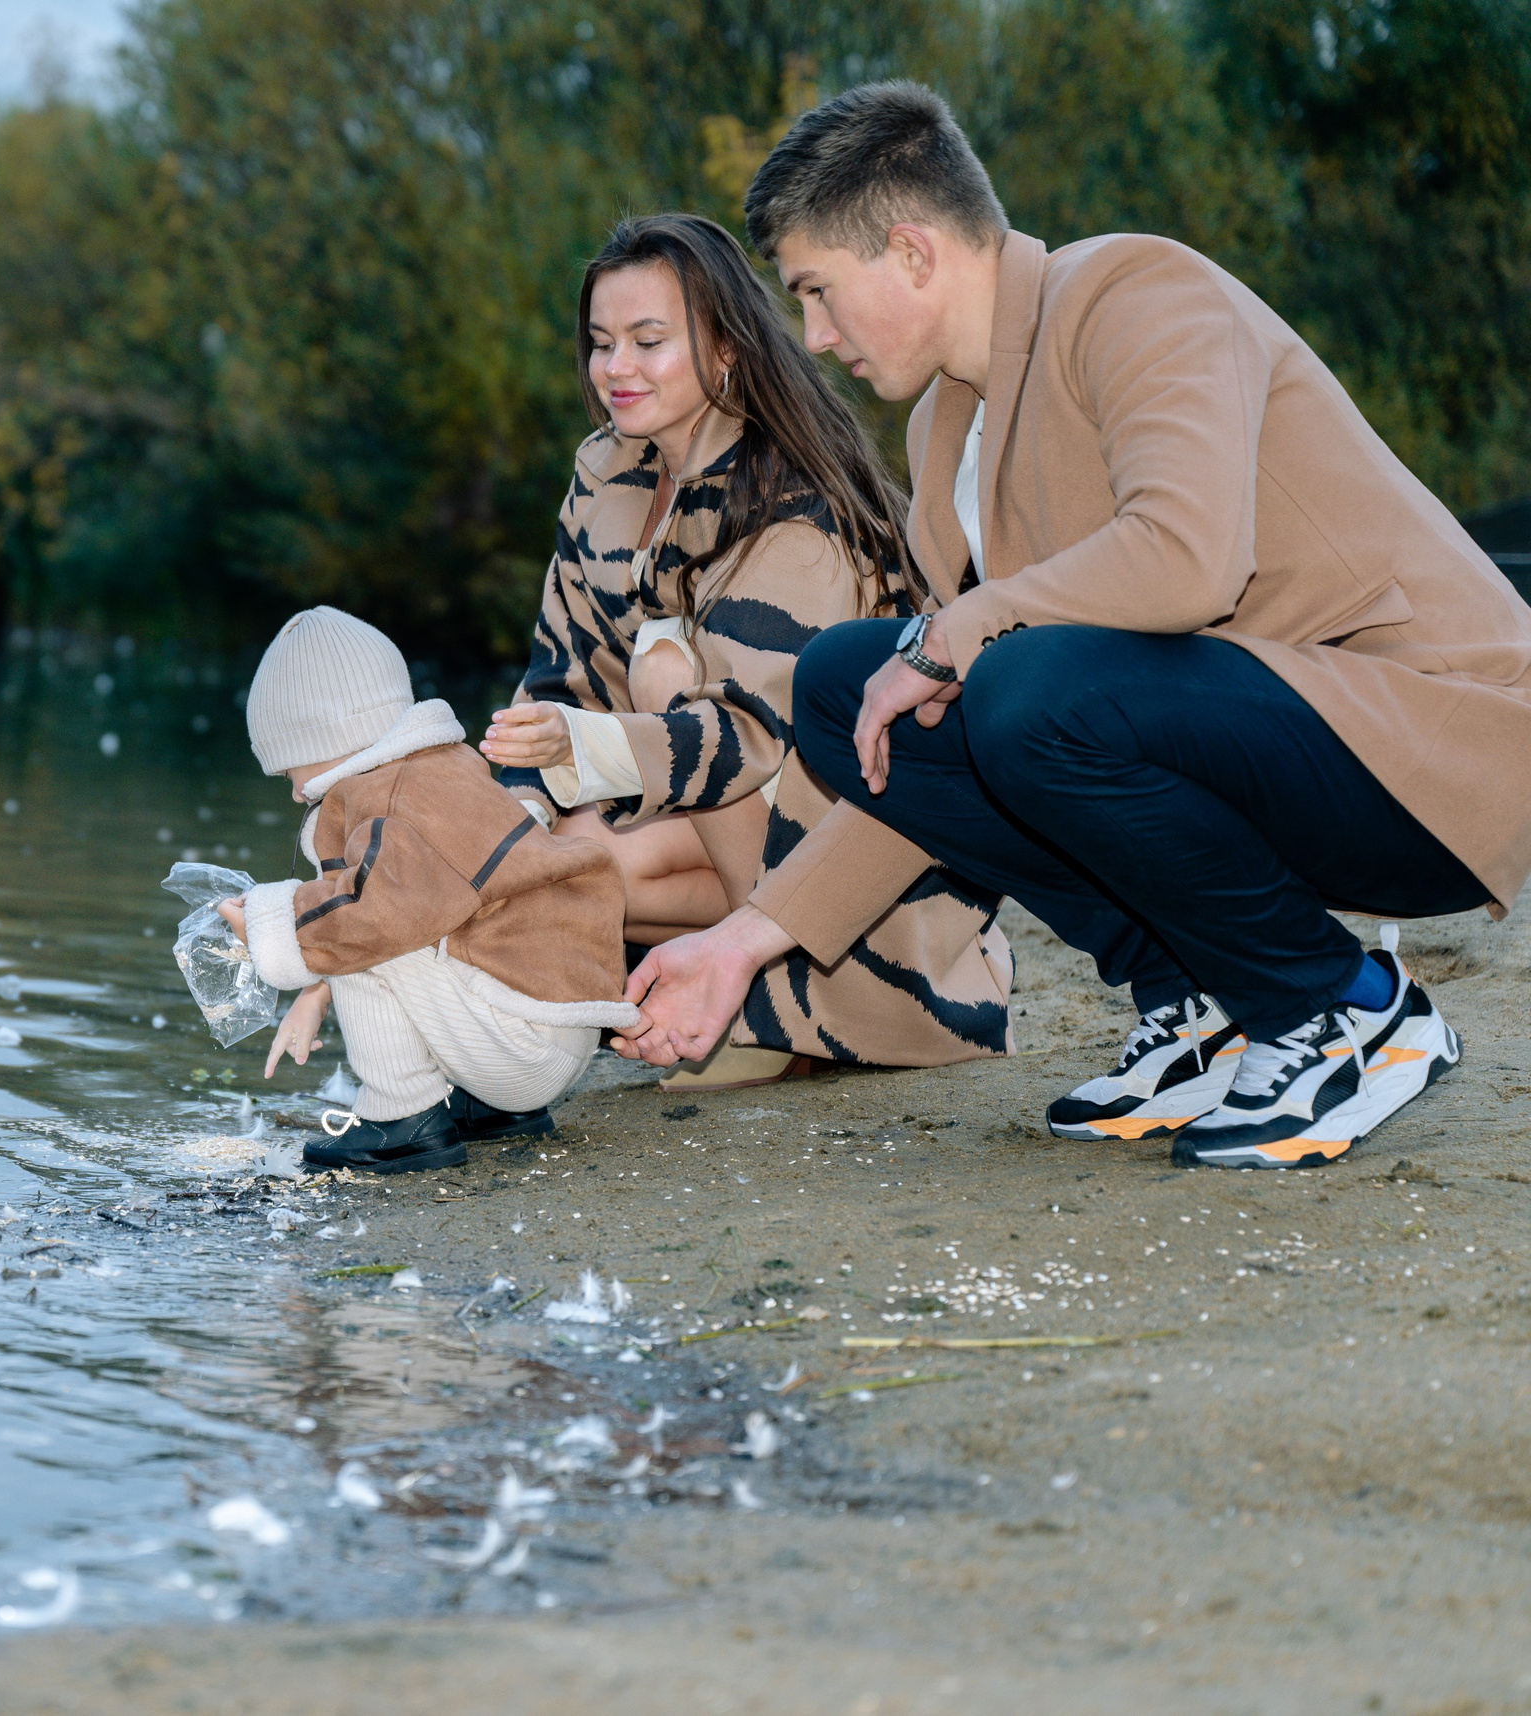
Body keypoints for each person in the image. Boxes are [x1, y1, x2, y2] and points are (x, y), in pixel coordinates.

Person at [622, 81, 1530, 1170]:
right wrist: (742, 943)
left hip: (1431, 745)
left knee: (1015, 684)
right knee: (846, 684)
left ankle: (1339, 1007)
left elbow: (1189, 558)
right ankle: (1198, 1000)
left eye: (816, 291)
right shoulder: (942, 440)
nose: (812, 338)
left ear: (911, 253)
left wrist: (959, 633)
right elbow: (920, 763)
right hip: (1255, 757)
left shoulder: (1135, 292)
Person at [478, 212, 1013, 1089]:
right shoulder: (606, 474)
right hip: (706, 830)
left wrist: (584, 760)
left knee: (659, 685)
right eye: (602, 342)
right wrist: (520, 816)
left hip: (865, 889)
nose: (616, 368)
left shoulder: (795, 506)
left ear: (725, 348)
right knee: (550, 854)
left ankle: (785, 1008)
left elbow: (746, 741)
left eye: (649, 341)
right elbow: (558, 679)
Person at [213, 607, 639, 1175]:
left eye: (289, 769)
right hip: (547, 1024)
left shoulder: (390, 800)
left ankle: (401, 1116)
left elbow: (375, 920)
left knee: (364, 921)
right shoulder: (437, 770)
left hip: (524, 1046)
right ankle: (484, 1108)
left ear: (326, 737)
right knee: (368, 920)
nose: (294, 793)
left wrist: (271, 924)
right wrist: (315, 994)